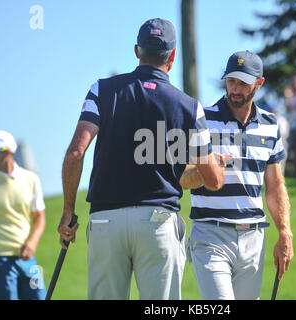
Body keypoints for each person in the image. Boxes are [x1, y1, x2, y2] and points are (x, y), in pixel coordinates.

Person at [57, 18, 225, 300]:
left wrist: (67, 210)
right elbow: (212, 180)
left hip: (105, 221)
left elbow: (76, 152)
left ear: (137, 51)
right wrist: (215, 167)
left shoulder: (102, 90)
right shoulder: (190, 107)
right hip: (158, 222)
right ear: (172, 56)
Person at [180, 51, 294, 300]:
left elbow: (274, 186)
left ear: (259, 83)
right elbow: (182, 178)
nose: (235, 88)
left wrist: (284, 232)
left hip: (254, 239)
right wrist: (206, 170)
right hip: (211, 235)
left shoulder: (270, 124)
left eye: (243, 82)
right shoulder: (202, 119)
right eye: (231, 81)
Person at [0, 130, 46, 300]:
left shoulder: (31, 179)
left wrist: (32, 242)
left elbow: (39, 217)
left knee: (41, 296)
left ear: (8, 152)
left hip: (27, 258)